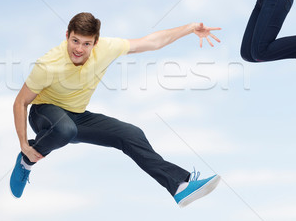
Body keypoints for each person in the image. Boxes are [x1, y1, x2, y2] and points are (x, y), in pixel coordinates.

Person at [11, 12, 222, 207]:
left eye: (86, 44)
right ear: (67, 35)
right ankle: (26, 160)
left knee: (132, 134)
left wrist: (191, 27)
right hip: (44, 113)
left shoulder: (106, 47)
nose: (79, 49)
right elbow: (20, 103)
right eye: (75, 41)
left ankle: (179, 186)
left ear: (96, 43)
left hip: (76, 116)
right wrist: (23, 144)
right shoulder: (48, 64)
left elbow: (151, 42)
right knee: (65, 130)